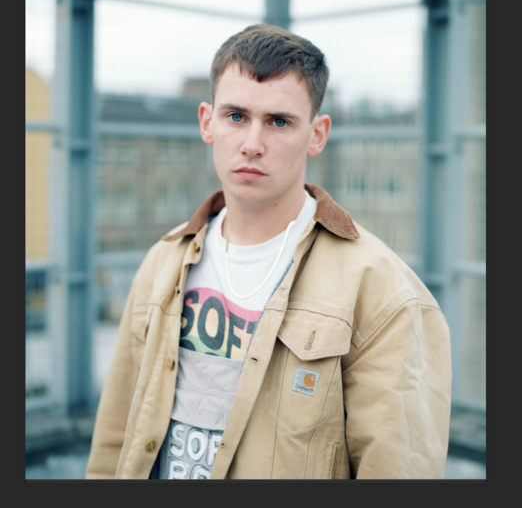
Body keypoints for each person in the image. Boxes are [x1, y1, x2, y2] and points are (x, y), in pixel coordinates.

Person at [86, 24, 451, 480]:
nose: (252, 145)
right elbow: (115, 439)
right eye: (236, 116)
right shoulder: (164, 261)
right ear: (207, 122)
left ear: (317, 135)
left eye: (279, 122)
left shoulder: (381, 291)